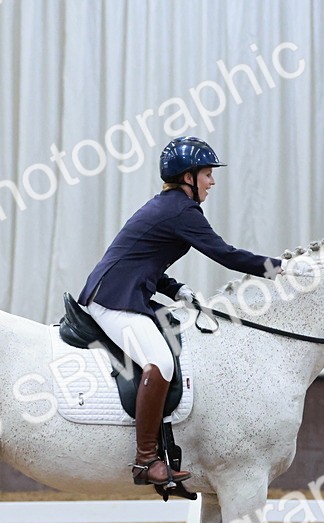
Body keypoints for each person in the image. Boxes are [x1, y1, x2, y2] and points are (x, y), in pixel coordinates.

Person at [76, 136, 283, 489]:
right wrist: (279, 268)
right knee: (161, 362)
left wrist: (176, 289)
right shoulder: (181, 211)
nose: (212, 182)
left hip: (127, 291)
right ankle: (145, 461)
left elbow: (142, 259)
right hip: (114, 298)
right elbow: (226, 254)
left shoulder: (169, 206)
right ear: (188, 177)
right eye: (207, 174)